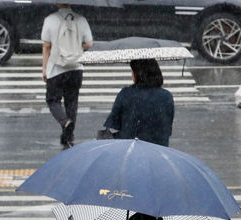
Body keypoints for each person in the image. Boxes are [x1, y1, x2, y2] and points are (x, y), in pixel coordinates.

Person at [42, 3, 93, 149]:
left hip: (56, 68)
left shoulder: (50, 19)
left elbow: (46, 46)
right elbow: (89, 43)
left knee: (52, 100)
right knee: (72, 102)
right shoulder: (81, 19)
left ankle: (65, 122)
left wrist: (44, 68)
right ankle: (68, 138)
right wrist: (76, 47)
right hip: (76, 67)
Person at [103, 59, 175, 146]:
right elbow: (168, 127)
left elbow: (113, 124)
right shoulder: (166, 96)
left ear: (138, 74)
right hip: (158, 148)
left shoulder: (126, 94)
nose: (131, 75)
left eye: (133, 71)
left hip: (129, 148)